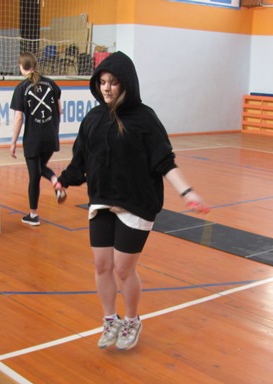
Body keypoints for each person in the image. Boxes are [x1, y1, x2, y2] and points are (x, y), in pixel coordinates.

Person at [55, 52, 209, 351]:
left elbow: (165, 162)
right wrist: (64, 180)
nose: (106, 88)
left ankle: (132, 319)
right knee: (101, 265)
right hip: (102, 200)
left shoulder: (145, 118)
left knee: (123, 269)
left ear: (126, 84)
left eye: (113, 82)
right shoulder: (93, 119)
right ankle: (109, 319)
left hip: (137, 202)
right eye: (102, 82)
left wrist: (187, 192)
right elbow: (80, 160)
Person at [10, 52, 65, 226]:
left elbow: (18, 118)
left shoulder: (21, 88)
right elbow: (60, 110)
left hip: (33, 139)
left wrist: (13, 142)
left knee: (34, 175)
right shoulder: (51, 84)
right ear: (35, 65)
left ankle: (33, 215)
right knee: (40, 168)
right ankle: (56, 181)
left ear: (21, 67)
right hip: (51, 136)